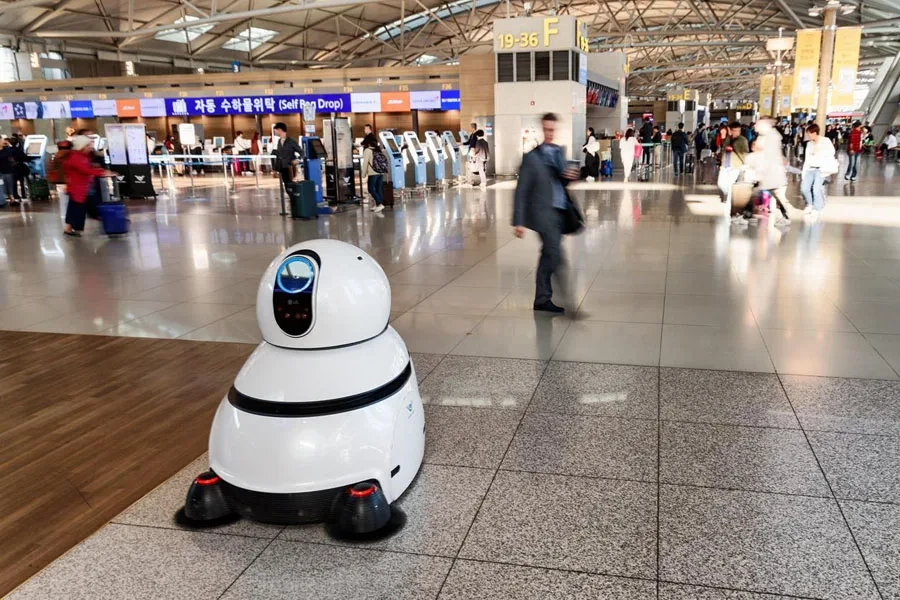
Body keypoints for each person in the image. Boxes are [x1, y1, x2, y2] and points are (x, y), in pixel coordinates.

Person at [512, 113, 579, 315]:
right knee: (555, 253)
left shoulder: (559, 152)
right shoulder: (531, 157)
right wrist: (519, 221)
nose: (550, 133)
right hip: (542, 214)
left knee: (550, 254)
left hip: (559, 211)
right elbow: (521, 189)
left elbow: (562, 181)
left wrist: (569, 176)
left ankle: (542, 299)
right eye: (547, 129)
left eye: (552, 130)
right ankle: (564, 300)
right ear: (542, 129)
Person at [62, 135, 110, 237]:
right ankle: (109, 223)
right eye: (88, 145)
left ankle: (70, 228)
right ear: (81, 146)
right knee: (83, 208)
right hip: (80, 188)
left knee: (75, 208)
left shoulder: (80, 156)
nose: (90, 147)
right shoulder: (76, 157)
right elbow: (85, 170)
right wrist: (102, 173)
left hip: (80, 187)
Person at [746, 119, 791, 226]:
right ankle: (746, 215)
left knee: (775, 196)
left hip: (770, 174)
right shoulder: (767, 136)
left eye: (757, 124)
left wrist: (759, 169)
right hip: (768, 175)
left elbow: (766, 156)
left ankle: (746, 215)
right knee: (764, 194)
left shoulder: (770, 137)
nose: (755, 126)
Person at [801, 123, 837, 219]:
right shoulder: (809, 144)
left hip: (820, 169)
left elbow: (832, 152)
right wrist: (804, 172)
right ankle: (810, 204)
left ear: (814, 133)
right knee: (804, 188)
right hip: (809, 168)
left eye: (809, 133)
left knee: (816, 189)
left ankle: (818, 208)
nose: (808, 135)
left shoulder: (825, 141)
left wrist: (819, 152)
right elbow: (807, 159)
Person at [717, 121, 749, 205]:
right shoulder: (728, 138)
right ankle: (727, 194)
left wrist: (746, 165)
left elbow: (745, 153)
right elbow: (724, 148)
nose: (737, 132)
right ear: (730, 130)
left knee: (730, 184)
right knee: (720, 183)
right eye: (735, 130)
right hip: (725, 164)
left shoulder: (743, 140)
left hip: (735, 165)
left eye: (738, 130)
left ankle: (728, 202)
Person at [272, 122, 304, 190]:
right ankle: (292, 199)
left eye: (276, 130)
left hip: (290, 168)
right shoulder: (279, 141)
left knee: (291, 185)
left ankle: (294, 199)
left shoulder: (291, 141)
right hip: (282, 168)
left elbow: (301, 152)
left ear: (280, 130)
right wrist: (275, 169)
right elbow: (279, 155)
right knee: (287, 186)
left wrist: (298, 159)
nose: (275, 132)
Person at [360, 136, 385, 213]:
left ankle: (380, 204)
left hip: (373, 173)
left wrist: (363, 175)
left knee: (371, 189)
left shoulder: (367, 150)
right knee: (378, 189)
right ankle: (379, 205)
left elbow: (365, 164)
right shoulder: (378, 150)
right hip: (381, 172)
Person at [0, 138, 17, 207]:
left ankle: (11, 199)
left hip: (7, 170)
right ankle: (3, 199)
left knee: (9, 185)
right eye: (1, 140)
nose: (3, 141)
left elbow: (11, 157)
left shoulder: (7, 150)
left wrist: (8, 145)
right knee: (2, 187)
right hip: (1, 171)